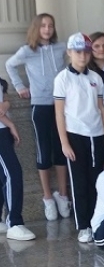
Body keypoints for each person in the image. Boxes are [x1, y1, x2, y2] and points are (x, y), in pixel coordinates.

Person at [5, 13, 70, 221]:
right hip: (40, 105)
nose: (47, 29)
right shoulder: (27, 51)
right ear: (36, 28)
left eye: (50, 25)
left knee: (61, 149)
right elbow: (10, 65)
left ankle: (63, 195)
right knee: (43, 151)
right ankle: (47, 197)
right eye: (43, 26)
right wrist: (19, 86)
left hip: (60, 104)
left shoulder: (61, 47)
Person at [55, 33, 104, 242]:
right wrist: (64, 142)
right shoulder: (62, 78)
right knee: (79, 182)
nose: (82, 56)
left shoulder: (96, 78)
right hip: (75, 135)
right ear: (69, 53)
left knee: (96, 181)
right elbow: (59, 112)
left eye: (86, 52)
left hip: (96, 135)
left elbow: (101, 108)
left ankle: (97, 221)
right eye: (78, 52)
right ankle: (84, 226)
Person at [0, 78, 36, 241]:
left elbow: (4, 98)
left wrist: (6, 104)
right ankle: (14, 222)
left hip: (3, 130)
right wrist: (11, 125)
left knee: (3, 176)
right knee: (12, 174)